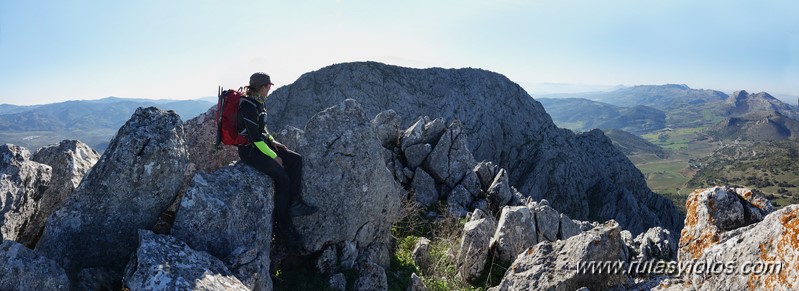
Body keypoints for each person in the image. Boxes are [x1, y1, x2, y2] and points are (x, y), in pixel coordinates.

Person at [237, 72, 317, 247]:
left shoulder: (259, 102)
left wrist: (274, 142)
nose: (270, 89)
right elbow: (255, 139)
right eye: (269, 86)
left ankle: (295, 203)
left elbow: (262, 130)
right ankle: (284, 225)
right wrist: (274, 157)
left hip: (262, 145)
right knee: (283, 179)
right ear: (264, 86)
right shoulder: (248, 106)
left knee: (296, 160)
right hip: (250, 151)